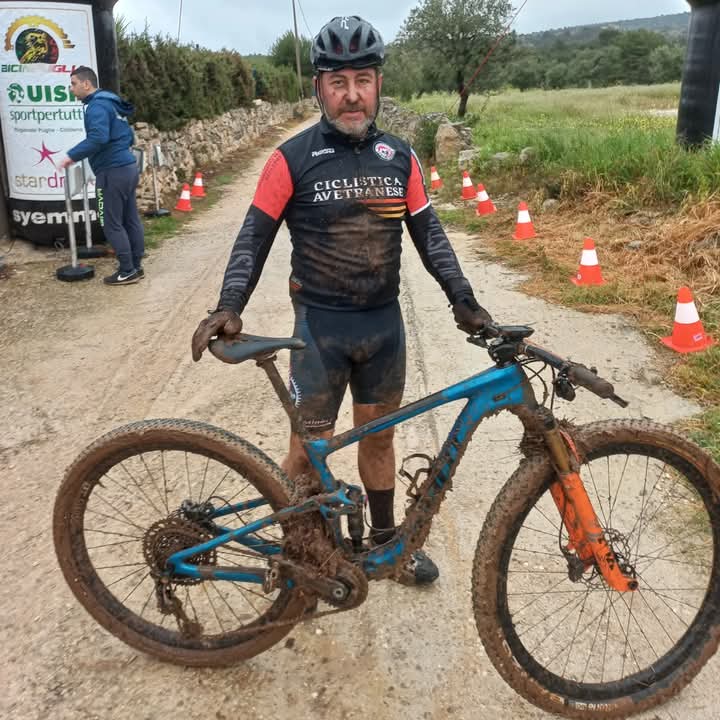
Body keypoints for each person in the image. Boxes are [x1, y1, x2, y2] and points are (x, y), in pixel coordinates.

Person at [191, 16, 492, 585]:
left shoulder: (400, 156)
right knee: (308, 452)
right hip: (319, 332)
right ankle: (301, 555)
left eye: (362, 80)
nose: (351, 94)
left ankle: (386, 547)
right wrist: (230, 303)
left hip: (382, 328)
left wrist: (464, 300)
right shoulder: (290, 158)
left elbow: (430, 235)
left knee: (380, 440)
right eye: (338, 82)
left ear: (379, 84)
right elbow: (254, 237)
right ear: (319, 88)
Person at [58, 66, 145, 286]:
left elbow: (98, 138)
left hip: (111, 172)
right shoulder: (111, 103)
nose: (71, 89)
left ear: (86, 84)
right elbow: (129, 137)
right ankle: (136, 266)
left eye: (73, 84)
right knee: (130, 219)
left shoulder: (96, 106)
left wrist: (71, 156)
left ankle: (127, 270)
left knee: (110, 223)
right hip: (127, 167)